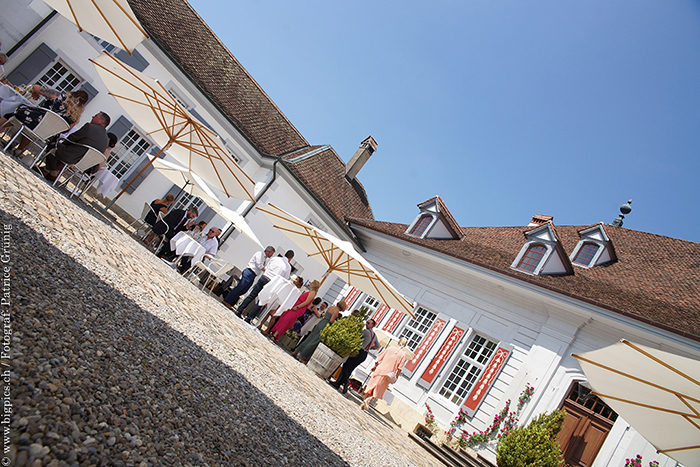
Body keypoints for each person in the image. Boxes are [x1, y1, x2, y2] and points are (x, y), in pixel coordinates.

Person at [3, 86, 89, 157]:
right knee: (37, 128)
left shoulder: (59, 96)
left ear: (73, 93)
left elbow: (35, 87)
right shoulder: (75, 117)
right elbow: (66, 129)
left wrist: (36, 92)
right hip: (47, 134)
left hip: (34, 121)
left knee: (17, 112)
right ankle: (19, 150)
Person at [40, 111, 111, 182]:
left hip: (72, 157)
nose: (93, 116)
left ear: (101, 121)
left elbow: (72, 138)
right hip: (85, 165)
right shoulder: (106, 140)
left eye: (96, 116)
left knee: (54, 143)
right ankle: (51, 171)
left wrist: (63, 143)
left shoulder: (89, 127)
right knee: (66, 151)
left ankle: (50, 171)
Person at [237, 249, 294, 323]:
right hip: (271, 282)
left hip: (264, 277)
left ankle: (239, 309)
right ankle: (249, 317)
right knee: (261, 301)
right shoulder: (288, 267)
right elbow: (284, 279)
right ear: (291, 258)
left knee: (252, 294)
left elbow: (267, 267)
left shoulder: (275, 259)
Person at [333, 318, 380, 393]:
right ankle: (339, 383)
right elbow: (377, 346)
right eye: (367, 322)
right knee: (350, 368)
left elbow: (357, 337)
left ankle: (344, 381)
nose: (366, 324)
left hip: (359, 351)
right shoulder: (374, 335)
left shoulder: (365, 331)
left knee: (346, 366)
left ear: (372, 325)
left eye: (368, 323)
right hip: (365, 354)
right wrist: (369, 348)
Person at [361, 337, 409, 411]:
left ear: (399, 341)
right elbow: (399, 368)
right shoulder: (403, 354)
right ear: (405, 344)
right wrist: (396, 377)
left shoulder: (391, 348)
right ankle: (369, 400)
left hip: (380, 369)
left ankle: (363, 403)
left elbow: (380, 358)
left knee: (370, 386)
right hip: (388, 374)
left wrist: (375, 366)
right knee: (379, 390)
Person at [223, 246, 275, 310]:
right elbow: (260, 266)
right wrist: (268, 271)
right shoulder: (260, 254)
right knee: (240, 287)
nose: (271, 255)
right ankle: (226, 300)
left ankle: (230, 301)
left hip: (253, 275)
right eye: (271, 253)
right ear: (268, 251)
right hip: (249, 272)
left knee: (244, 290)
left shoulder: (264, 258)